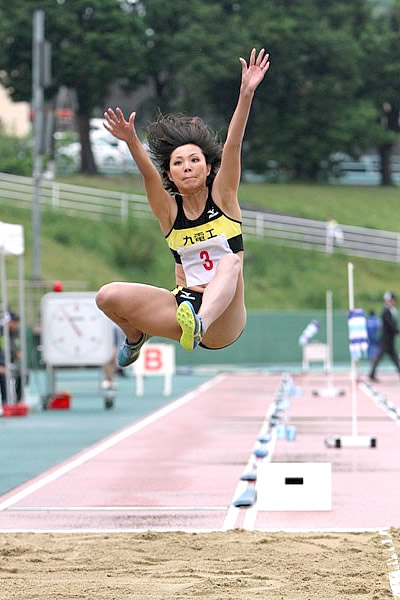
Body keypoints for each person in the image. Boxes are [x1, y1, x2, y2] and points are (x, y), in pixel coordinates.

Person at [96, 48, 270, 367]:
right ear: (171, 175)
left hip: (223, 320)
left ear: (207, 168)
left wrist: (246, 94)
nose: (187, 167)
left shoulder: (224, 198)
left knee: (230, 263)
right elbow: (148, 174)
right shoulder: (169, 213)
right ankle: (135, 337)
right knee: (106, 296)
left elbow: (232, 144)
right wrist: (131, 140)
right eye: (178, 163)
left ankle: (199, 323)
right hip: (183, 306)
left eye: (194, 160)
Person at [369, 292, 400, 382]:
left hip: (389, 340)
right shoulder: (385, 311)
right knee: (380, 357)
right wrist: (398, 332)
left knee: (394, 358)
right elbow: (390, 325)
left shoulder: (392, 311)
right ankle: (371, 374)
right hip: (385, 340)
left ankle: (371, 374)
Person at [0, 312, 22, 405]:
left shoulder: (14, 334)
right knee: (4, 376)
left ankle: (17, 401)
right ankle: (6, 403)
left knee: (23, 374)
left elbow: (15, 350)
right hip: (1, 366)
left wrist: (18, 354)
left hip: (9, 365)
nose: (15, 325)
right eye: (13, 322)